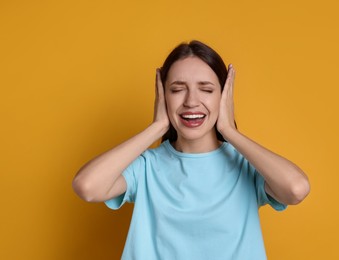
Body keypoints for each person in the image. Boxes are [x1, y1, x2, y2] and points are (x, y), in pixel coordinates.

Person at [72, 40, 310, 260]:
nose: (191, 101)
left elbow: (296, 188)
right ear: (162, 96)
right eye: (177, 89)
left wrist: (229, 130)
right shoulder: (146, 167)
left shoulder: (246, 166)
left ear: (224, 97)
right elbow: (88, 186)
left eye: (206, 89)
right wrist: (157, 127)